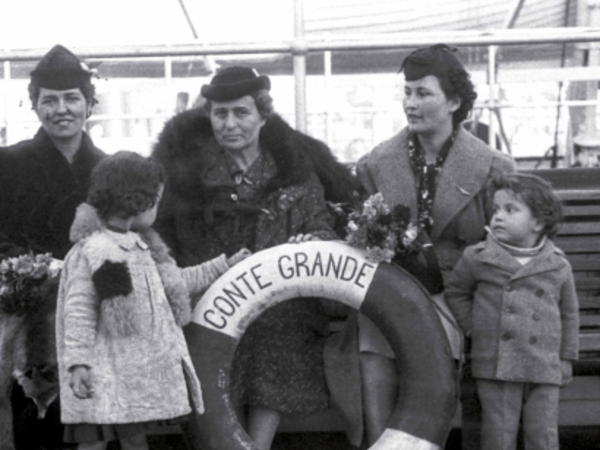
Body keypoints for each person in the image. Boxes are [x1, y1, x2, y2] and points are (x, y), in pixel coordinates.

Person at [152, 66, 358, 450]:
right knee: (206, 338)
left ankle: (256, 445)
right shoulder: (186, 176)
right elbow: (164, 244)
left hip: (279, 309)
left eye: (241, 112)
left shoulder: (295, 172)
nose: (229, 124)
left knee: (274, 327)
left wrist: (310, 241)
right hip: (206, 302)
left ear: (263, 115)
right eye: (219, 113)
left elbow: (325, 232)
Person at [329, 44, 516, 447]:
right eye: (407, 92)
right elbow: (357, 238)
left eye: (423, 93)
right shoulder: (376, 164)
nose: (410, 103)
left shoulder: (493, 168)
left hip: (462, 296)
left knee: (441, 344)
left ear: (454, 101)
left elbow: (507, 249)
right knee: (373, 332)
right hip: (391, 290)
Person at [56, 151, 250, 450]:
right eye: (157, 200)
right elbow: (79, 310)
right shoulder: (97, 252)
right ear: (139, 201)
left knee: (134, 435)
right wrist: (77, 362)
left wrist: (224, 265)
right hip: (103, 371)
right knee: (95, 438)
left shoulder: (141, 247)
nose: (158, 208)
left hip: (133, 374)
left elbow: (175, 283)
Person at [0, 44, 106, 450]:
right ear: (35, 106)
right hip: (28, 317)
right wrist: (35, 268)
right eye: (50, 100)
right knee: (34, 421)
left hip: (94, 314)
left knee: (96, 419)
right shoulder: (8, 164)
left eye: (71, 99)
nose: (61, 109)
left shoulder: (109, 169)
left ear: (89, 104)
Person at [445, 172, 579, 450]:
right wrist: (474, 328)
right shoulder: (478, 257)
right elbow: (457, 292)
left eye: (511, 209)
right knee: (498, 433)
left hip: (544, 362)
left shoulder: (557, 264)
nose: (499, 217)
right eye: (496, 210)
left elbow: (569, 313)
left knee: (542, 435)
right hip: (496, 361)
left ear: (538, 222)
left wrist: (566, 357)